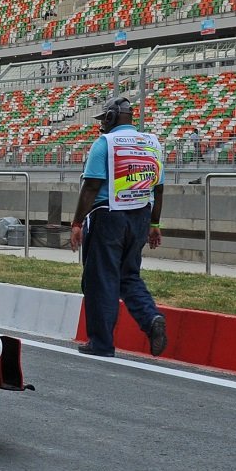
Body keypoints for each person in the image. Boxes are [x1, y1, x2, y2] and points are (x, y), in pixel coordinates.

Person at [69, 95, 168, 358]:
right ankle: (151, 319)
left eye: (104, 119)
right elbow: (158, 188)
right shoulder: (152, 144)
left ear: (111, 118)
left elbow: (90, 186)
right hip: (140, 216)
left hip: (107, 217)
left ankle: (101, 344)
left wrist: (77, 222)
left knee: (101, 281)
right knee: (129, 276)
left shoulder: (105, 144)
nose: (102, 124)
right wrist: (154, 223)